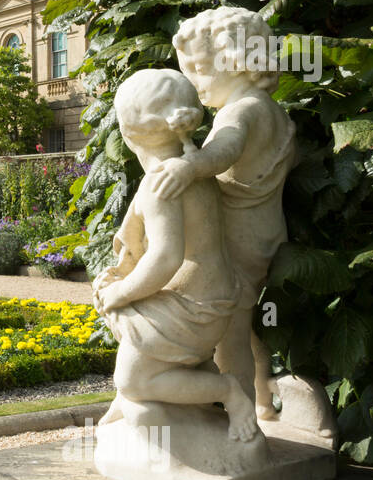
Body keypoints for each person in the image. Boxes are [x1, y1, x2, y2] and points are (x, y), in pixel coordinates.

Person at [148, 7, 333, 437]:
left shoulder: (241, 112)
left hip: (232, 238)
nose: (194, 81)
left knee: (228, 329)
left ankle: (242, 416)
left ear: (236, 59)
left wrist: (188, 167)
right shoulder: (273, 112)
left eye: (199, 68)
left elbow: (225, 152)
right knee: (249, 329)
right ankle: (264, 403)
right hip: (265, 234)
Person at [93, 68, 256, 441]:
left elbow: (165, 259)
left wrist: (121, 292)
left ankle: (227, 391)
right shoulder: (192, 169)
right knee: (115, 291)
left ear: (129, 134)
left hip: (194, 308)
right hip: (212, 297)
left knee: (131, 374)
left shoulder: (159, 184)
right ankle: (163, 388)